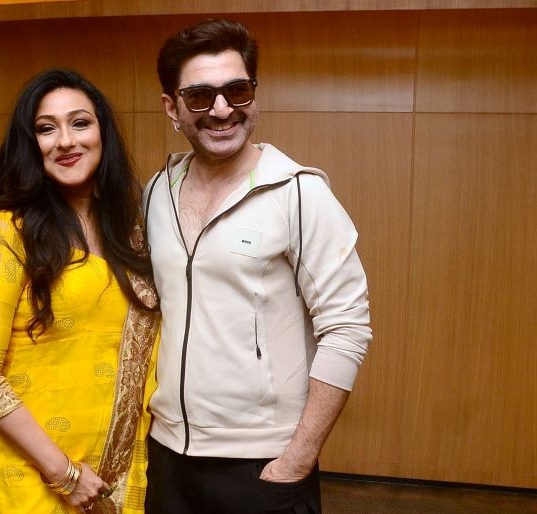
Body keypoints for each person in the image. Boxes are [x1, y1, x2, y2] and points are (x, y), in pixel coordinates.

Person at [143, 19, 372, 514]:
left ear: (254, 94)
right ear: (172, 108)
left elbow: (347, 328)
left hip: (264, 466)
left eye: (237, 90)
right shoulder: (156, 192)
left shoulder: (300, 193)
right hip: (167, 457)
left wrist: (297, 460)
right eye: (200, 96)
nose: (222, 109)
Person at [0, 69, 159, 514]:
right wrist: (63, 473)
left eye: (80, 123)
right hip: (35, 476)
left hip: (115, 472)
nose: (65, 141)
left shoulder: (131, 231)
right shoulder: (10, 234)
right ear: (32, 145)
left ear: (102, 133)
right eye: (47, 129)